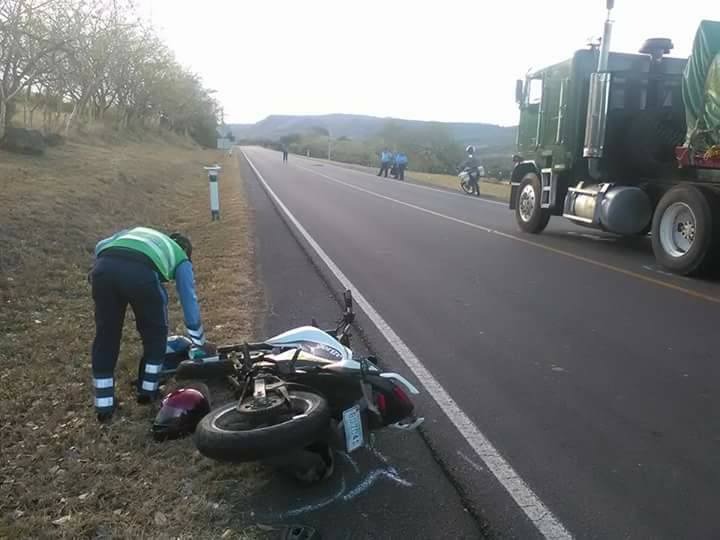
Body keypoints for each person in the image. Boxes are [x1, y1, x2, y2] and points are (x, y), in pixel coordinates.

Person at [89, 227, 215, 423]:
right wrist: (199, 343)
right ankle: (148, 392)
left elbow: (100, 246)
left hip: (103, 268)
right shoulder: (180, 257)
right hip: (139, 274)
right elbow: (188, 301)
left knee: (106, 336)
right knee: (155, 335)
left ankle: (104, 407)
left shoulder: (143, 235)